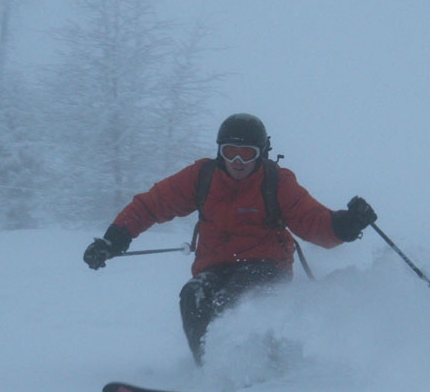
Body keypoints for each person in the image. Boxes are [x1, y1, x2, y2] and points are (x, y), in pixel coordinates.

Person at [84, 113, 376, 363]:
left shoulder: (277, 182)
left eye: (246, 153)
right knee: (193, 296)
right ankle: (210, 368)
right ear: (219, 152)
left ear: (260, 153)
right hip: (215, 266)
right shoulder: (203, 177)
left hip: (266, 265)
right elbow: (151, 204)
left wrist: (346, 225)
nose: (237, 161)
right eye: (229, 152)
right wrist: (114, 240)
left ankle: (260, 361)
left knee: (235, 296)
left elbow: (314, 223)